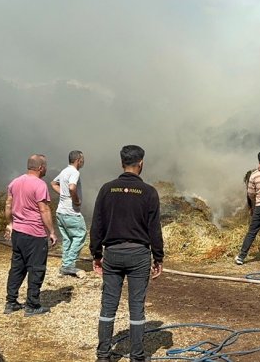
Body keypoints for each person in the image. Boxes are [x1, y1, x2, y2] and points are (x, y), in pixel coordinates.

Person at [90, 145, 164, 362]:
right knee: (136, 306)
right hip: (139, 255)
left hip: (112, 253)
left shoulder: (106, 189)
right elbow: (154, 229)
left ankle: (103, 355)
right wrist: (158, 257)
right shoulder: (149, 192)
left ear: (121, 163)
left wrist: (96, 254)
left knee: (108, 304)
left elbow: (97, 225)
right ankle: (137, 356)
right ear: (141, 163)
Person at [4, 154, 57, 317]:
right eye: (45, 166)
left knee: (17, 268)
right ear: (40, 168)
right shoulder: (40, 185)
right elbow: (44, 209)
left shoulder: (15, 182)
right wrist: (51, 232)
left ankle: (11, 302)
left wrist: (10, 223)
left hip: (18, 234)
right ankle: (32, 305)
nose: (46, 168)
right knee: (36, 268)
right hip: (34, 234)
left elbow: (8, 205)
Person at [51, 150, 87, 277]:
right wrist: (75, 200)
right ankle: (69, 265)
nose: (83, 161)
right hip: (71, 212)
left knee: (67, 238)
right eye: (82, 159)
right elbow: (72, 187)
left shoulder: (64, 171)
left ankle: (65, 264)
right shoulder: (74, 172)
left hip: (60, 212)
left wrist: (63, 194)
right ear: (78, 160)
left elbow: (53, 183)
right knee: (80, 235)